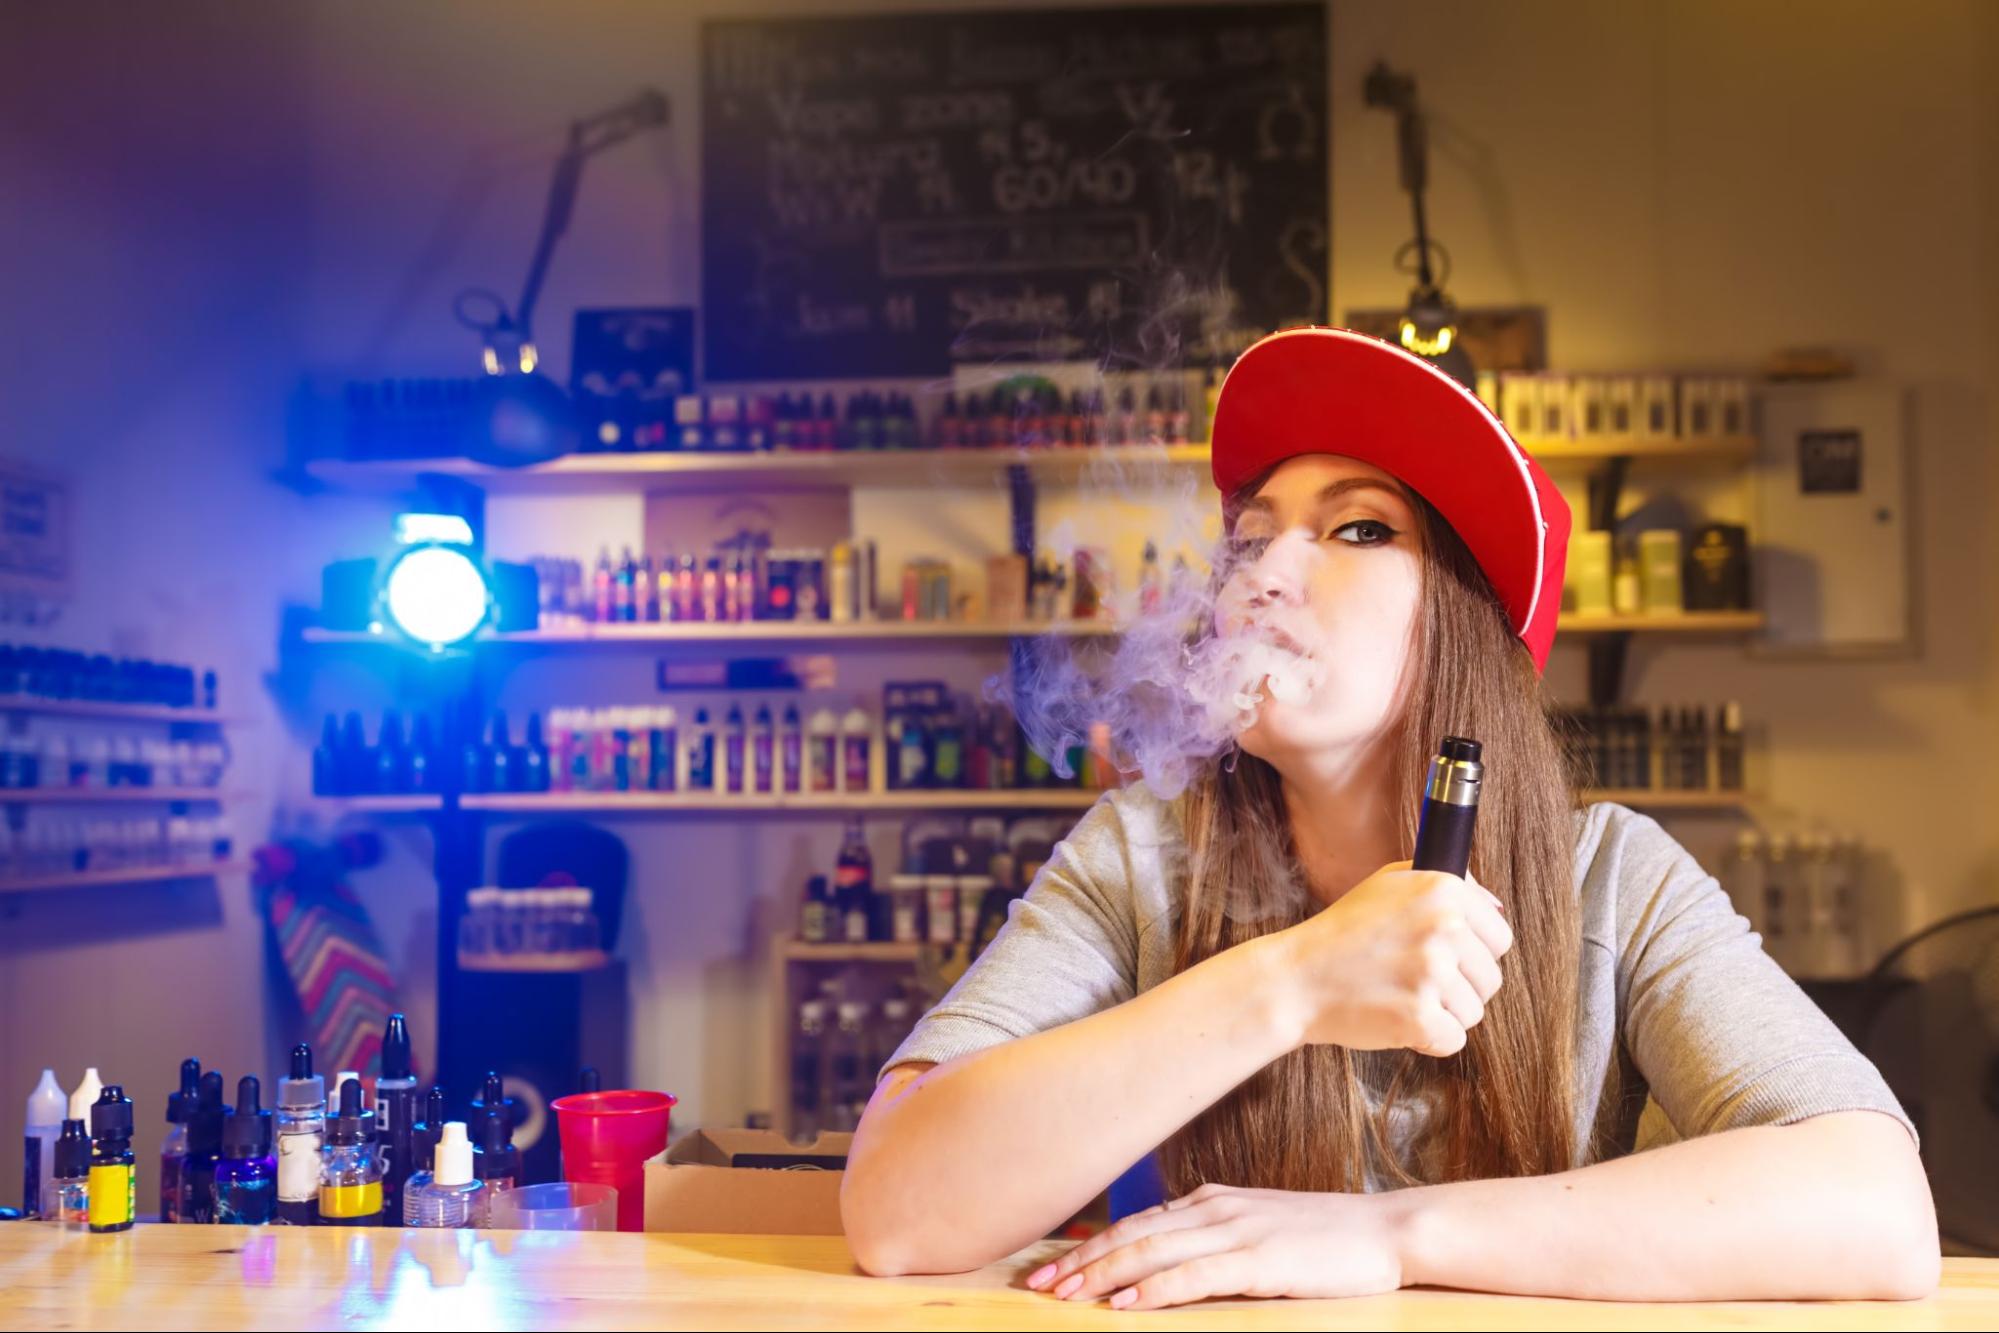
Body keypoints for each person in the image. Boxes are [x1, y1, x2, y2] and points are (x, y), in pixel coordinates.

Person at [840, 329, 1937, 1308]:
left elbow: (1876, 1208)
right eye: (1249, 536)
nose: (1262, 573)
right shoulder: (1140, 856)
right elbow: (896, 1210)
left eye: (1358, 529)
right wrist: (1294, 979)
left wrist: (1387, 1237)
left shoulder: (1612, 876)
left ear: (1461, 623)